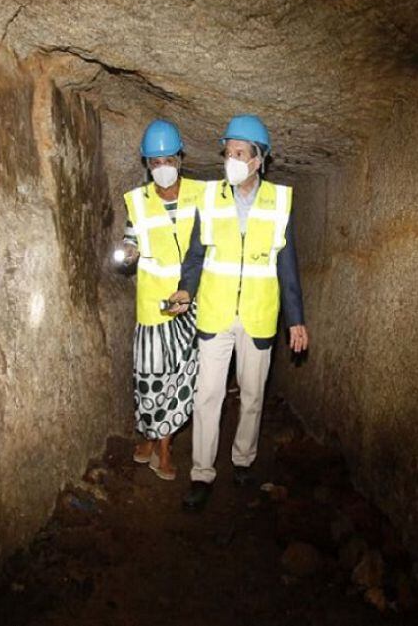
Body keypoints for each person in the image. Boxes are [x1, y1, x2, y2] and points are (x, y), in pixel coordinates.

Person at [165, 114, 309, 511]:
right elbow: (195, 257)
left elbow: (287, 265)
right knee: (207, 395)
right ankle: (201, 473)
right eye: (228, 152)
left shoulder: (280, 201)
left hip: (259, 316)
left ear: (258, 159)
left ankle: (243, 460)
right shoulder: (210, 198)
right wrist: (184, 289)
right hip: (215, 314)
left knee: (252, 396)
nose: (232, 158)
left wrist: (295, 319)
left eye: (240, 153)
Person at [119, 119, 204, 481]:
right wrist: (128, 252)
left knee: (181, 380)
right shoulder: (138, 202)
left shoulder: (204, 195)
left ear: (181, 157)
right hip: (153, 309)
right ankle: (151, 437)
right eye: (155, 163)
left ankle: (164, 448)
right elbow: (131, 240)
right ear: (146, 165)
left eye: (169, 159)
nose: (163, 168)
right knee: (149, 379)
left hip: (190, 307)